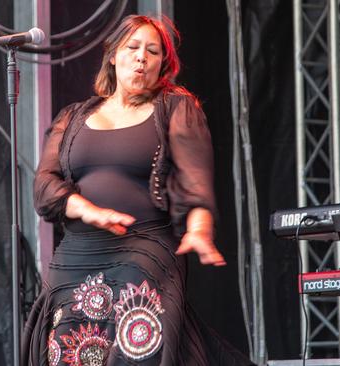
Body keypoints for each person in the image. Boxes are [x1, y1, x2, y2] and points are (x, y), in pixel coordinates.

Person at [22, 14, 252, 365]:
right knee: (69, 348)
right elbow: (44, 187)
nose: (142, 57)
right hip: (79, 253)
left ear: (163, 64)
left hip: (144, 247)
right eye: (132, 47)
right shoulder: (73, 117)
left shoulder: (175, 108)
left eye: (153, 51)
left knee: (138, 338)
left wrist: (200, 228)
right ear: (113, 55)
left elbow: (195, 179)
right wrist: (89, 210)